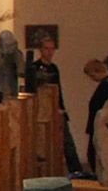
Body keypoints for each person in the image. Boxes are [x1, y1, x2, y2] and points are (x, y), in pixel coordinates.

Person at [28, 36, 83, 173]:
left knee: (66, 141)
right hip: (42, 112)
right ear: (40, 50)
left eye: (52, 49)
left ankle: (76, 170)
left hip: (56, 109)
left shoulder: (54, 68)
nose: (50, 52)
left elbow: (57, 90)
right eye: (46, 49)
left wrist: (61, 107)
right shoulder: (35, 68)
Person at [85, 59, 108, 172]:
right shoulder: (106, 84)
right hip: (100, 125)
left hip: (101, 126)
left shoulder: (107, 85)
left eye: (92, 75)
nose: (92, 79)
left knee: (95, 154)